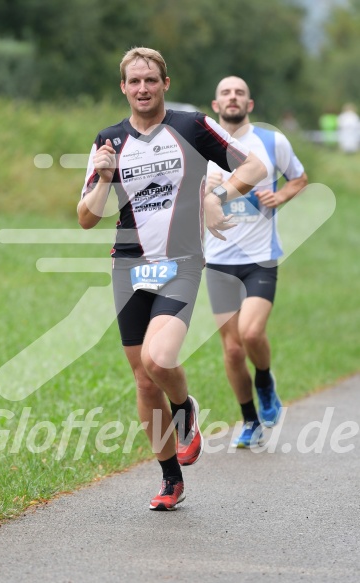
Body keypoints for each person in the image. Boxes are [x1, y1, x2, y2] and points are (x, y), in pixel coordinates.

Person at [77, 49, 266, 509]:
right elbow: (86, 217)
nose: (142, 88)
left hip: (180, 262)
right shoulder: (109, 141)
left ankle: (184, 409)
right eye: (134, 81)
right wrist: (103, 178)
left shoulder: (190, 125)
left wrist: (216, 194)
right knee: (143, 381)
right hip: (127, 266)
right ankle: (170, 480)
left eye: (151, 80)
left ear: (165, 83)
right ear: (123, 87)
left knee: (161, 361)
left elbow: (254, 167)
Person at [204, 76, 308, 448]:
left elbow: (299, 178)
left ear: (249, 104)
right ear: (216, 106)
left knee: (250, 334)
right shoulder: (203, 146)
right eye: (225, 93)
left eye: (240, 93)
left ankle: (264, 380)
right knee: (231, 349)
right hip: (217, 261)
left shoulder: (272, 142)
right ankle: (249, 420)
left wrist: (282, 195)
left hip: (260, 259)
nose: (233, 97)